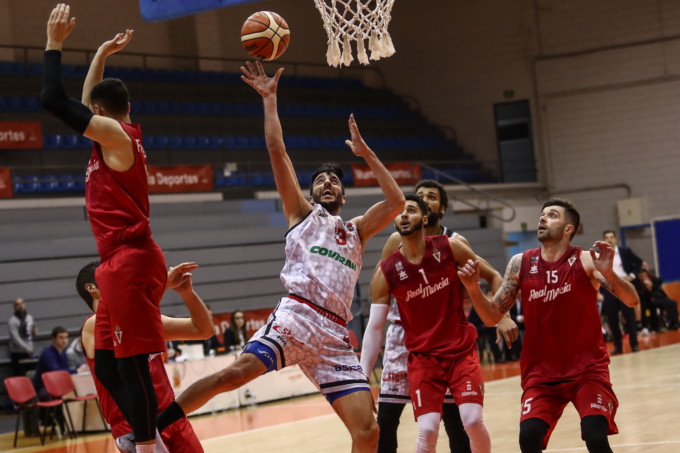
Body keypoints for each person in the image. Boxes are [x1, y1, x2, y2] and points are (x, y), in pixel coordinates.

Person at [154, 60, 404, 452]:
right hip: (297, 315)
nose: (327, 182)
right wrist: (269, 99)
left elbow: (397, 201)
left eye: (334, 180)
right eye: (320, 179)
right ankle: (158, 426)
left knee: (368, 432)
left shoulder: (356, 230)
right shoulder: (302, 214)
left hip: (335, 335)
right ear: (311, 192)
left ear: (342, 194)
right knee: (232, 375)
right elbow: (276, 149)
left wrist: (366, 154)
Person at [41, 5, 168, 451]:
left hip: (132, 258)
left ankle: (150, 447)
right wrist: (99, 53)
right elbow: (82, 102)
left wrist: (55, 43)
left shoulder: (117, 138)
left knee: (131, 364)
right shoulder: (113, 134)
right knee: (110, 367)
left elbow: (56, 103)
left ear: (100, 114)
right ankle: (141, 434)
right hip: (115, 264)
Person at [458, 199, 640, 453]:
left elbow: (632, 300)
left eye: (552, 215)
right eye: (542, 215)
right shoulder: (520, 263)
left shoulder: (586, 260)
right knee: (528, 438)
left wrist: (609, 274)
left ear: (568, 228)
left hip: (587, 371)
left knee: (595, 436)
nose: (542, 219)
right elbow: (491, 318)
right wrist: (472, 288)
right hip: (541, 376)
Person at [361, 179, 518, 453]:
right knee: (388, 418)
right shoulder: (395, 242)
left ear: (438, 209)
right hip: (406, 335)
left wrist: (500, 315)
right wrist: (362, 376)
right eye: (417, 197)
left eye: (429, 197)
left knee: (457, 422)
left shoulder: (454, 244)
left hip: (449, 334)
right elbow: (381, 290)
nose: (422, 201)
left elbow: (493, 276)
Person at [76, 261, 212, 453]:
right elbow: (130, 316)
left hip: (171, 414)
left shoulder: (143, 318)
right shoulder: (93, 325)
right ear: (92, 287)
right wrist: (164, 283)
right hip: (132, 424)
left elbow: (203, 330)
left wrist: (187, 294)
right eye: (112, 278)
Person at [601, 230, 642, 353]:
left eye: (611, 237)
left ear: (615, 239)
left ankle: (634, 344)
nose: (609, 239)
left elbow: (639, 262)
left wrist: (631, 276)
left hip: (624, 287)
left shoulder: (625, 251)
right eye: (606, 237)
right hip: (609, 289)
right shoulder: (600, 255)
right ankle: (618, 346)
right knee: (612, 319)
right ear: (604, 240)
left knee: (629, 317)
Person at [33, 326, 88, 400]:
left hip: (57, 385)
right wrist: (76, 370)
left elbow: (66, 369)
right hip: (43, 388)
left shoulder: (63, 353)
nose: (64, 340)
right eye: (61, 338)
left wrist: (78, 367)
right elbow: (57, 371)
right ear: (54, 339)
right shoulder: (47, 353)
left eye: (66, 337)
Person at [8, 297, 37, 376]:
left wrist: (34, 331)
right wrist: (26, 348)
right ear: (14, 307)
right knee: (19, 373)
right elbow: (15, 338)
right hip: (17, 352)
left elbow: (30, 332)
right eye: (17, 304)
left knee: (33, 368)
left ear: (24, 305)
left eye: (21, 303)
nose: (20, 306)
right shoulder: (12, 321)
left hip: (30, 350)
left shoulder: (29, 318)